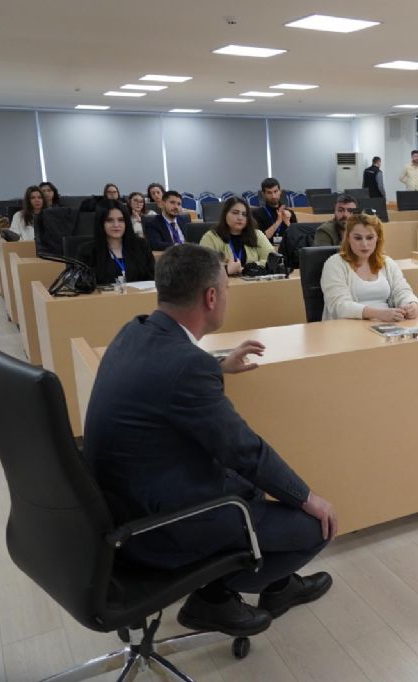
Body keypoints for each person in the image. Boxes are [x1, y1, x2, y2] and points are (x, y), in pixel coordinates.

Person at [83, 244, 335, 636]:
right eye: (227, 290)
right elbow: (244, 450)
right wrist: (307, 497)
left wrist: (216, 366)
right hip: (157, 525)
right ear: (211, 297)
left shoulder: (134, 330)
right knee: (314, 527)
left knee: (252, 485)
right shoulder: (188, 366)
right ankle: (212, 597)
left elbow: (163, 380)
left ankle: (277, 586)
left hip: (121, 504)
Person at [320, 213, 418, 321]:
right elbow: (339, 306)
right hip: (348, 326)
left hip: (387, 324)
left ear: (377, 238)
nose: (364, 244)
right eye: (358, 238)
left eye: (370, 238)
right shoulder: (334, 264)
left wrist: (412, 304)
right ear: (348, 239)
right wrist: (378, 314)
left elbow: (403, 291)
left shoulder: (387, 263)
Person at [77, 200, 155, 285]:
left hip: (139, 293)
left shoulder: (141, 246)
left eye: (121, 220)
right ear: (101, 223)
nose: (116, 225)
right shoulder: (87, 251)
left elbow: (153, 278)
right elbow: (82, 284)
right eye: (109, 220)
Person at [199, 197, 274, 276]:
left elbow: (273, 259)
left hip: (253, 282)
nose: (240, 218)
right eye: (235, 213)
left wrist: (249, 268)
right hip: (223, 282)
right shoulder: (211, 237)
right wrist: (226, 269)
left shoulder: (257, 234)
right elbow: (202, 267)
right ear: (225, 214)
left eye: (244, 214)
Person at [253, 178, 297, 246]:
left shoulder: (289, 213)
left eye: (275, 191)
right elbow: (260, 239)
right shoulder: (257, 213)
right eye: (269, 193)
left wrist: (287, 222)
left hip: (287, 249)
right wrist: (278, 222)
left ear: (280, 191)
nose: (273, 196)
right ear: (263, 194)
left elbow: (296, 237)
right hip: (267, 249)